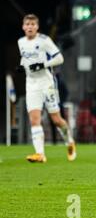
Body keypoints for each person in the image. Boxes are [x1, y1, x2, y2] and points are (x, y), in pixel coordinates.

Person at [17, 14, 76, 163]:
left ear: (37, 27)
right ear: (23, 27)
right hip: (31, 85)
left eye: (33, 24)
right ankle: (40, 154)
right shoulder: (21, 42)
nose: (30, 27)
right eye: (27, 24)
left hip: (46, 84)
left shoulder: (44, 41)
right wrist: (22, 66)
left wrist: (42, 65)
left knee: (56, 119)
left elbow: (59, 58)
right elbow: (25, 58)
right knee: (34, 119)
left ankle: (69, 141)